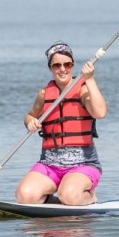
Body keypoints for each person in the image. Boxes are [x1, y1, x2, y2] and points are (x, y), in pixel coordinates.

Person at [15, 42, 107, 205]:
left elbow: (100, 113)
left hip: (83, 164)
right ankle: (58, 201)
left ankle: (87, 197)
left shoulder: (83, 90)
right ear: (50, 68)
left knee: (70, 195)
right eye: (57, 65)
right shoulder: (44, 94)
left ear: (72, 65)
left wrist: (90, 80)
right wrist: (30, 122)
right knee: (25, 196)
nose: (62, 69)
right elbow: (29, 116)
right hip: (49, 164)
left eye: (67, 64)